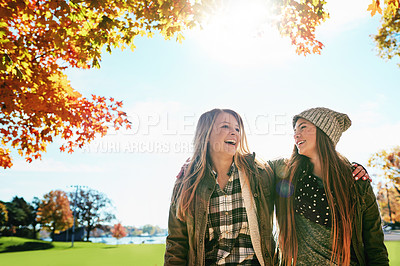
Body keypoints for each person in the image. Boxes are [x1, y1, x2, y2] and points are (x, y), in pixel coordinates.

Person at [275, 107, 389, 265]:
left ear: (324, 133)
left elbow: (375, 247)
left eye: (303, 127)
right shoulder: (286, 174)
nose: (296, 135)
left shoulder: (356, 183)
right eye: (294, 130)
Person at [164, 108, 277, 265]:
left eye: (237, 129)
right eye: (225, 126)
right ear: (206, 134)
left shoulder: (259, 173)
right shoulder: (187, 182)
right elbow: (176, 243)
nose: (234, 133)